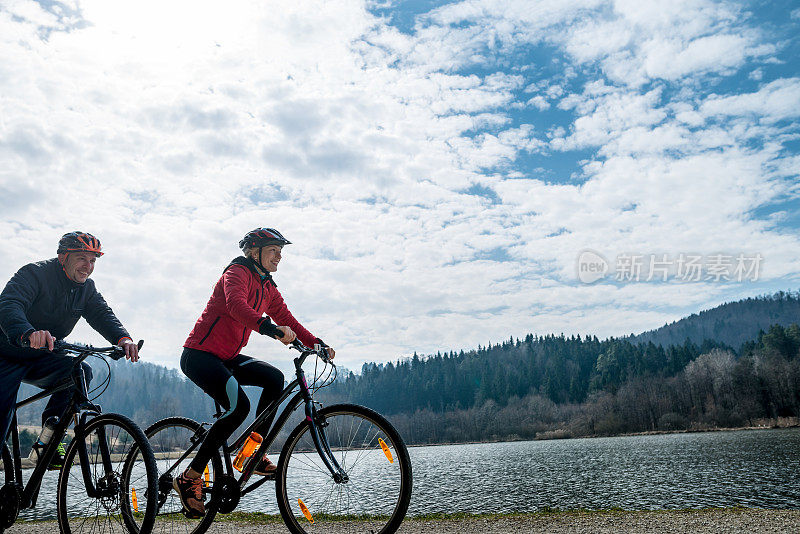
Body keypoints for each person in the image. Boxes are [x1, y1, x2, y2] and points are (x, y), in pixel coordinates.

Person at [174, 227, 334, 518]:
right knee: (238, 408)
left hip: (227, 357)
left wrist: (317, 343)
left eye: (281, 252)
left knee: (274, 379)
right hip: (199, 355)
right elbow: (236, 306)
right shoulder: (236, 272)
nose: (279, 257)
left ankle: (248, 455)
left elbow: (287, 319)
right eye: (274, 251)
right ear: (254, 251)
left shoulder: (268, 287)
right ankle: (189, 476)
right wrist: (270, 330)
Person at [0, 231, 140, 468]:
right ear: (63, 257)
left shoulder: (87, 289)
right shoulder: (34, 274)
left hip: (43, 356)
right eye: (82, 258)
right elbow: (9, 304)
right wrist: (27, 332)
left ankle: (49, 440)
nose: (88, 266)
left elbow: (102, 314)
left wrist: (123, 339)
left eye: (93, 260)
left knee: (78, 372)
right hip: (7, 353)